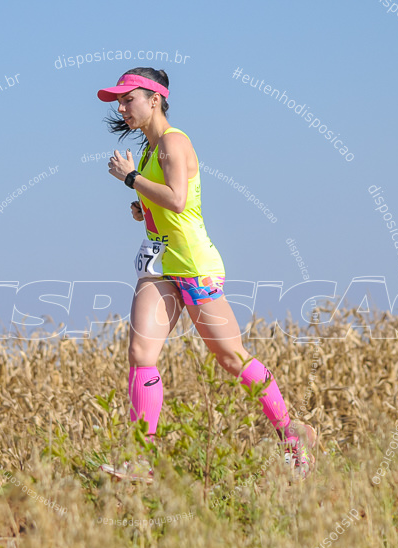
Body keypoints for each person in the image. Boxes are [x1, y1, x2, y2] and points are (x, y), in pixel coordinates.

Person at [97, 68, 317, 482]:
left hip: (193, 265)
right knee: (141, 356)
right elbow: (164, 206)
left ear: (155, 99)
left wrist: (130, 179)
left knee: (230, 358)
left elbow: (179, 201)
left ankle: (293, 434)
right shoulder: (148, 150)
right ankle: (140, 459)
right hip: (160, 265)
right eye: (120, 101)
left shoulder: (173, 143)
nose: (122, 108)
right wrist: (142, 207)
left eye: (129, 99)